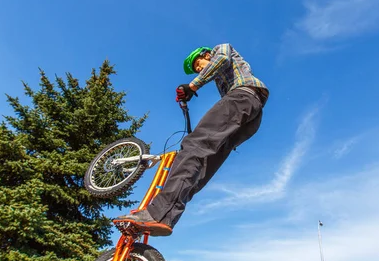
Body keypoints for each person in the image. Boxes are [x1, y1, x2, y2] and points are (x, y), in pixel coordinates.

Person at [114, 43, 269, 236]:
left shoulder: (221, 48)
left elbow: (221, 60)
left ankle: (157, 213)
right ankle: (165, 217)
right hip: (251, 112)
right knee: (203, 166)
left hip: (242, 98)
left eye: (198, 64)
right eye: (196, 69)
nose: (199, 69)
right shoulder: (224, 81)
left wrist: (193, 85)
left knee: (194, 146)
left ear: (205, 54)